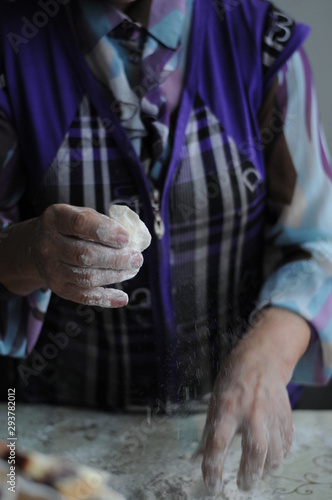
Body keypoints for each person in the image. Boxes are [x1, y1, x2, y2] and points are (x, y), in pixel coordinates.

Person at [0, 0, 331, 493]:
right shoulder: (13, 49)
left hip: (238, 439)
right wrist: (30, 251)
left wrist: (272, 348)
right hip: (60, 436)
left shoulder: (264, 41)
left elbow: (318, 244)